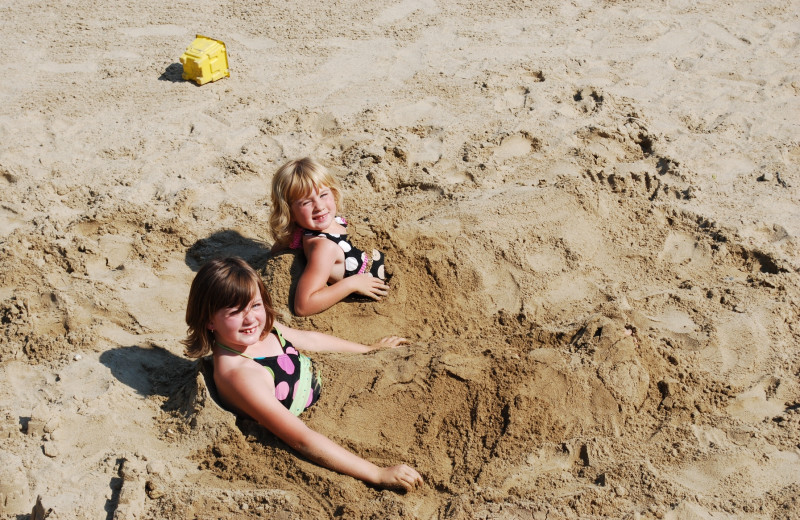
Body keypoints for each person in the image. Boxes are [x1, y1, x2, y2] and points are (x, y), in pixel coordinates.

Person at [183, 257, 423, 491]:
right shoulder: (240, 374)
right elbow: (301, 438)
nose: (250, 319)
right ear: (209, 321)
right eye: (234, 311)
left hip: (330, 387)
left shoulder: (262, 329)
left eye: (255, 305)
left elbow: (310, 339)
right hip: (315, 424)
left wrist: (368, 350)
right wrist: (377, 474)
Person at [269, 157, 389, 316]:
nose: (319, 206)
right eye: (306, 203)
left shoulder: (310, 227)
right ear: (290, 213)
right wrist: (352, 284)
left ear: (333, 193)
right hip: (373, 293)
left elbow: (278, 248)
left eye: (323, 195)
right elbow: (303, 305)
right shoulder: (324, 247)